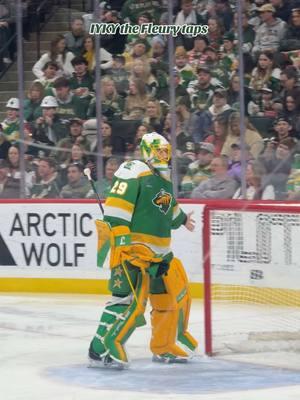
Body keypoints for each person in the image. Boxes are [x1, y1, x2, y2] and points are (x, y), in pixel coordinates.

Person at [89, 132, 198, 368]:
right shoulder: (134, 170)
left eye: (166, 152)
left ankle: (164, 345)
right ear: (147, 150)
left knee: (171, 298)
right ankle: (101, 349)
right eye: (159, 151)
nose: (164, 156)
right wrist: (123, 243)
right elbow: (116, 210)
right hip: (133, 254)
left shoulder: (164, 179)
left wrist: (182, 221)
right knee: (126, 301)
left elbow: (167, 210)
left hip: (159, 256)